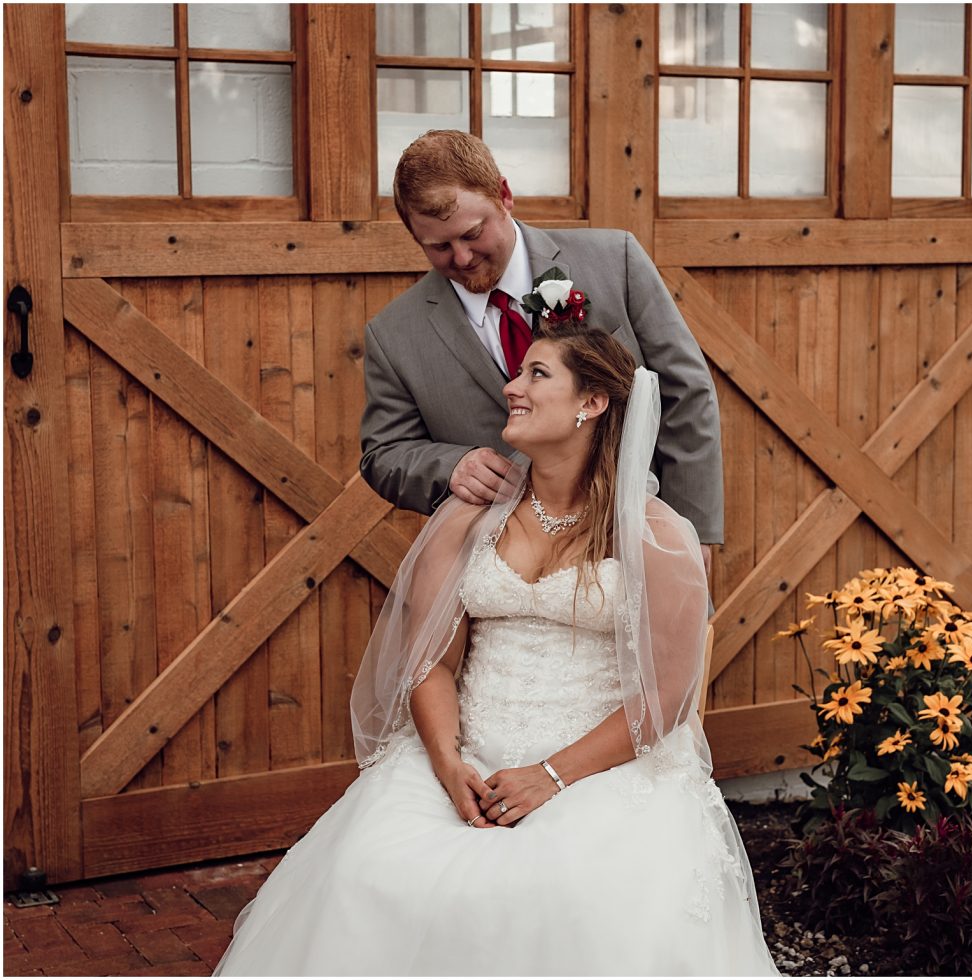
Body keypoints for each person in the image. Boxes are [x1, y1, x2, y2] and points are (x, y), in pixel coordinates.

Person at [214, 316, 778, 976]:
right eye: (517, 373)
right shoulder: (468, 517)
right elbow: (431, 660)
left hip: (601, 764)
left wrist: (553, 775)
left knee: (565, 895)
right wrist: (449, 763)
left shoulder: (657, 534)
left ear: (592, 403)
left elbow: (667, 696)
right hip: (468, 753)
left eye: (537, 375)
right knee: (368, 870)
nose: (513, 388)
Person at [359, 129, 723, 573]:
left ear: (504, 195)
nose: (462, 257)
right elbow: (383, 454)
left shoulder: (616, 261)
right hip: (496, 570)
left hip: (632, 546)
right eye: (437, 247)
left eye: (473, 233)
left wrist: (693, 528)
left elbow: (687, 392)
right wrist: (450, 465)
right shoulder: (394, 334)